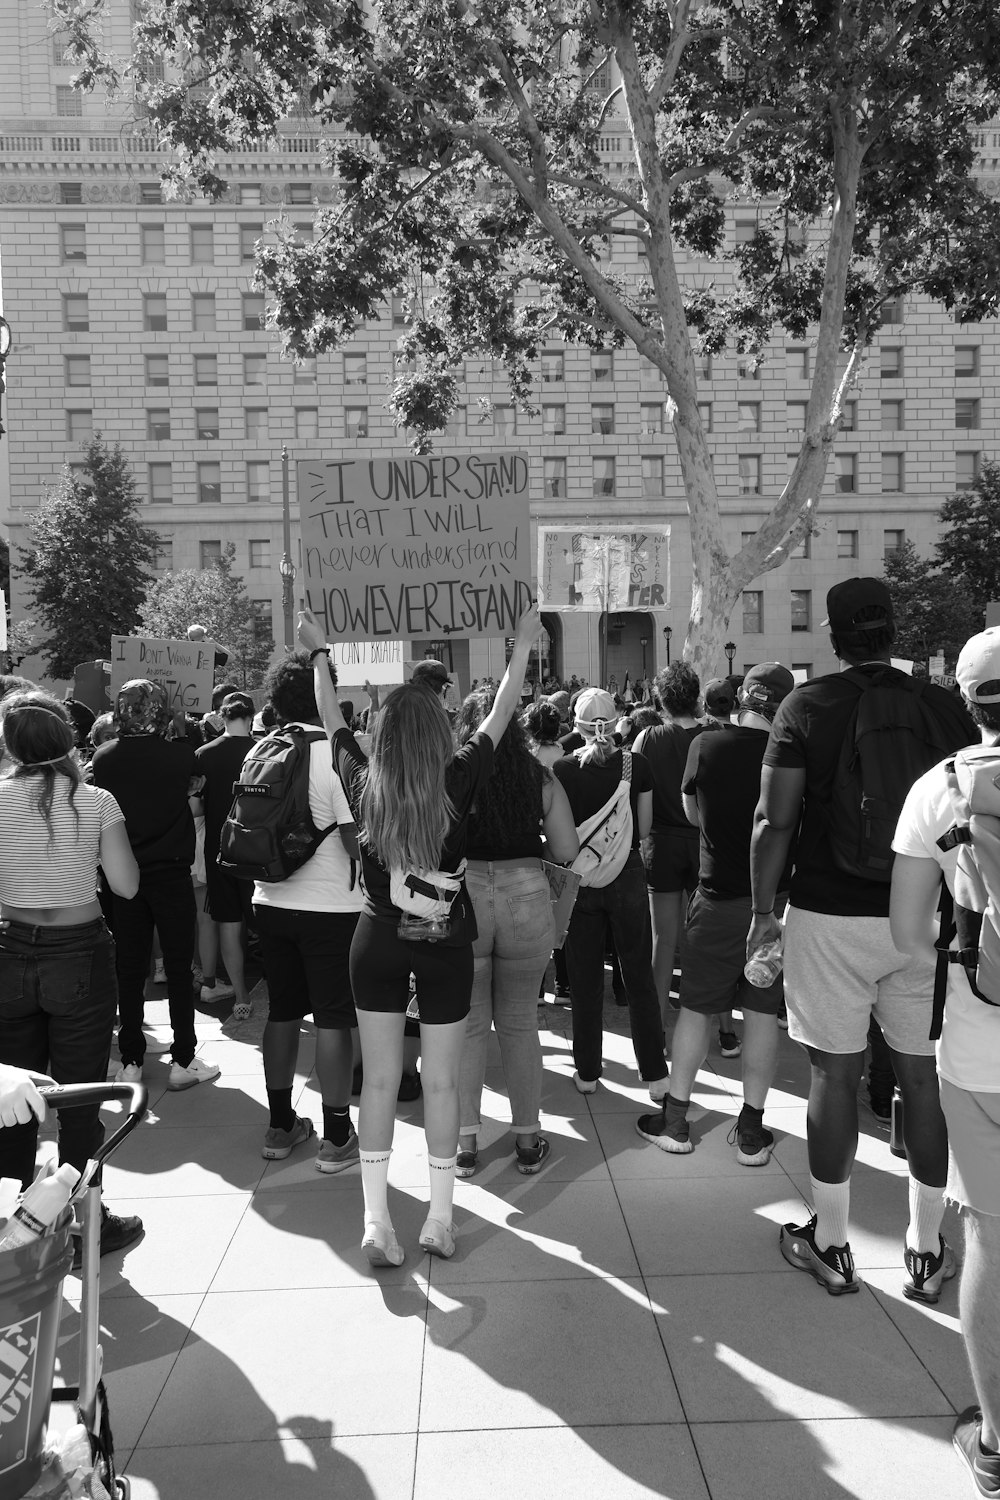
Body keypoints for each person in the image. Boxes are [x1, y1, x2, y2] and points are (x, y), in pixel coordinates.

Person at [749, 577, 975, 1295]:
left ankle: (833, 1241)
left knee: (832, 1076)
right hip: (925, 919)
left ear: (833, 633)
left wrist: (762, 910)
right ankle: (927, 1249)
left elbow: (773, 820)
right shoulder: (944, 707)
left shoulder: (806, 706)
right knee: (922, 1078)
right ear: (892, 629)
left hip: (827, 916)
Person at [301, 600, 541, 1267]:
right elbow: (502, 711)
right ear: (438, 731)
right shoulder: (459, 778)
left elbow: (329, 716)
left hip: (376, 938)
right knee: (440, 1083)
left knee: (377, 1083)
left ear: (384, 730)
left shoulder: (363, 779)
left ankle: (378, 1222)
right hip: (444, 938)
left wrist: (320, 651)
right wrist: (519, 642)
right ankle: (439, 1219)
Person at [890, 626, 1000, 1489]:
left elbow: (904, 931)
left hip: (980, 1039)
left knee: (988, 1236)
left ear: (964, 700)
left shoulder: (943, 788)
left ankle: (996, 1443)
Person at [0, 692, 143, 1257]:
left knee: (13, 1098)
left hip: (9, 947)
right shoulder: (96, 801)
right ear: (67, 739)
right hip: (79, 949)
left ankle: (12, 1224)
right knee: (79, 1099)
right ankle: (87, 1219)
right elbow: (127, 884)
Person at [636, 664, 795, 1162]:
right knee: (761, 1014)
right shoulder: (793, 759)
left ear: (741, 699)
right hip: (773, 906)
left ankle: (677, 1121)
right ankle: (750, 1132)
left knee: (698, 1010)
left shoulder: (704, 746)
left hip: (716, 899)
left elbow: (691, 813)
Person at [454, 689, 579, 1177]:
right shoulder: (540, 777)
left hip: (464, 899)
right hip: (526, 894)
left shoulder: (456, 773)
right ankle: (527, 1139)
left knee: (467, 1027)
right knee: (521, 1024)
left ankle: (466, 1143)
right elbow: (566, 849)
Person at [252, 653, 365, 1173]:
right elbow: (352, 838)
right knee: (334, 1019)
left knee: (282, 1011)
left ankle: (280, 1125)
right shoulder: (331, 754)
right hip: (331, 909)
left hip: (270, 901)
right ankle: (337, 1135)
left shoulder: (261, 749)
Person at [92, 680, 220, 1092]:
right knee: (179, 967)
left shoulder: (105, 757)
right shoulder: (181, 757)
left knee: (130, 967)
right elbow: (193, 786)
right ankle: (183, 1057)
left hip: (123, 873)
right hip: (170, 872)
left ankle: (130, 1058)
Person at [553, 689, 670, 1098]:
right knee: (638, 974)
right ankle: (655, 1075)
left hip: (579, 881)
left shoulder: (563, 769)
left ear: (578, 725)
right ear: (616, 720)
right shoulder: (636, 764)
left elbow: (558, 837)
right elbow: (645, 826)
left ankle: (587, 1072)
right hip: (628, 874)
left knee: (584, 980)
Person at [633, 664, 709, 1035]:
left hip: (659, 846)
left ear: (660, 699)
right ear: (695, 696)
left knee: (662, 941)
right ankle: (719, 1027)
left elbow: (628, 787)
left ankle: (656, 1029)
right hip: (702, 847)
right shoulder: (713, 735)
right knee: (701, 939)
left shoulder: (647, 738)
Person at [192, 691, 256, 1017]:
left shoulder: (203, 754)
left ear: (222, 717)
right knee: (266, 924)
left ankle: (242, 996)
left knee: (229, 923)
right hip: (259, 851)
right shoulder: (265, 751)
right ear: (251, 717)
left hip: (220, 850)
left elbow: (195, 805)